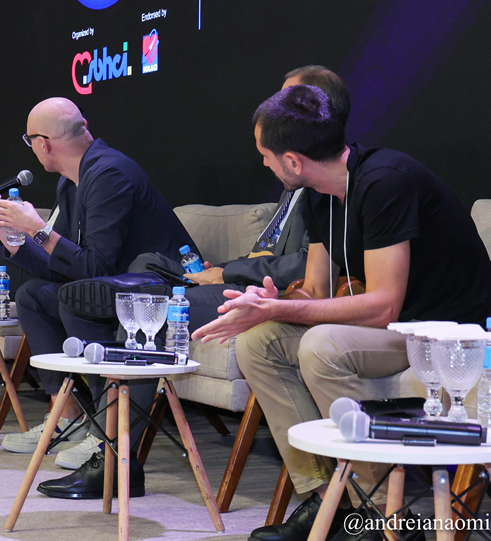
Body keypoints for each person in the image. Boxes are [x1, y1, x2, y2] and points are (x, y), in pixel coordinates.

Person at [192, 83, 491, 541]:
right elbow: (315, 290)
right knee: (259, 342)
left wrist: (281, 308)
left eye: (266, 155)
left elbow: (384, 304)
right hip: (399, 328)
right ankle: (327, 494)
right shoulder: (318, 194)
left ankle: (379, 511)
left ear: (293, 161)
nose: (264, 164)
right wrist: (270, 302)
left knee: (321, 345)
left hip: (445, 334)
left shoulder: (384, 180)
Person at [34, 66, 347, 502]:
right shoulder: (295, 179)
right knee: (132, 297)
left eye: (288, 106)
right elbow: (271, 250)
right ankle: (112, 449)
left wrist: (230, 272)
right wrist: (227, 268)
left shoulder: (328, 184)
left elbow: (308, 266)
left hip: (271, 292)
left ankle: (116, 459)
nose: (276, 115)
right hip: (244, 281)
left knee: (149, 312)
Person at [0, 97, 197, 454]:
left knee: (79, 297)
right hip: (113, 287)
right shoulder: (71, 181)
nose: (32, 149)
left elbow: (94, 269)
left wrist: (38, 228)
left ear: (44, 144)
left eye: (30, 141)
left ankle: (105, 431)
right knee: (33, 295)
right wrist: (1, 225)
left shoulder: (109, 174)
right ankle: (68, 416)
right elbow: (62, 264)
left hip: (157, 294)